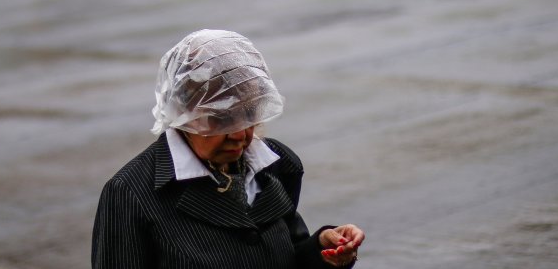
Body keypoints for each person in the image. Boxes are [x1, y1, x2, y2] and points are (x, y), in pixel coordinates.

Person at [92, 29, 364, 269]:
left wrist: (323, 252)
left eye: (248, 114)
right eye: (221, 118)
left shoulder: (276, 165)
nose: (238, 134)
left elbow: (291, 255)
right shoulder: (131, 194)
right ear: (183, 112)